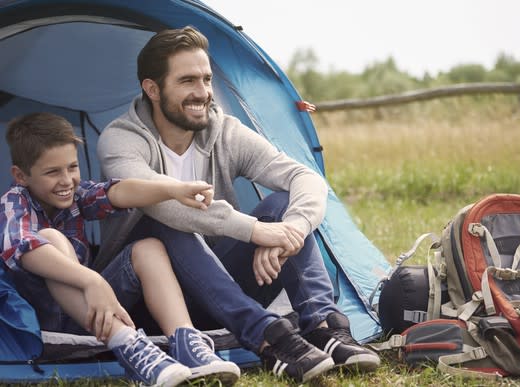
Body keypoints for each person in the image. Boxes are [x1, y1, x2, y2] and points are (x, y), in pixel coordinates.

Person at [95, 26, 380, 383]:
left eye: (206, 79)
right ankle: (267, 338)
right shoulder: (121, 139)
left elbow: (305, 178)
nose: (202, 93)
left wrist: (289, 232)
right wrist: (255, 231)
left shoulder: (224, 132)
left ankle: (324, 328)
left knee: (282, 203)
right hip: (153, 302)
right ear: (152, 89)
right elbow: (164, 205)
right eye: (187, 81)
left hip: (220, 290)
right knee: (164, 218)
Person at [0, 113, 241, 386]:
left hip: (93, 311)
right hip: (48, 322)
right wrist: (92, 280)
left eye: (72, 167)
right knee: (50, 239)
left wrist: (173, 189)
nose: (67, 180)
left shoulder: (75, 196)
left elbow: (117, 192)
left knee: (148, 248)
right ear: (21, 175)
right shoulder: (14, 202)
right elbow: (24, 248)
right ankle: (130, 347)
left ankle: (186, 341)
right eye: (53, 172)